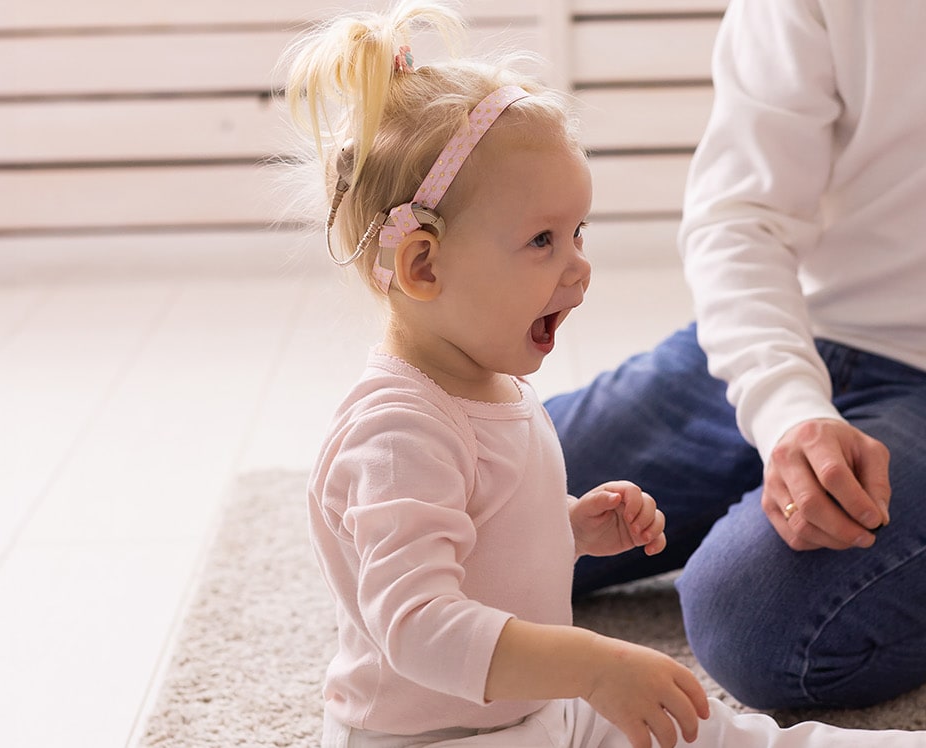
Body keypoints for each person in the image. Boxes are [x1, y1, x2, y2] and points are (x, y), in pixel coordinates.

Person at [286, 2, 926, 746]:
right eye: (543, 241)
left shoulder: (482, 380)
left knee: (709, 725)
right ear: (423, 265)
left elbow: (491, 530)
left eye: (579, 232)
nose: (581, 269)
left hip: (532, 717)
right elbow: (417, 625)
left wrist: (559, 529)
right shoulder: (397, 434)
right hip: (446, 738)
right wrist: (590, 665)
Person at [543, 0, 926, 712]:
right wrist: (785, 407)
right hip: (800, 323)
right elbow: (738, 215)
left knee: (752, 622)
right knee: (470, 492)